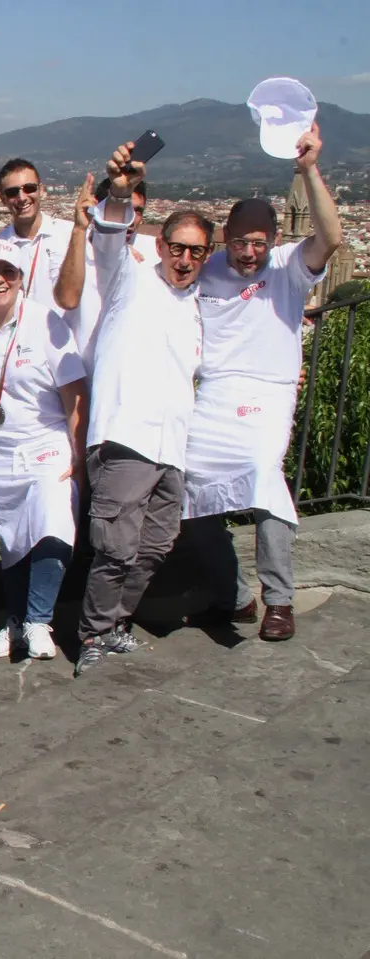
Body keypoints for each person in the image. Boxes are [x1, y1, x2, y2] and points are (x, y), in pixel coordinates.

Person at [181, 122, 342, 642]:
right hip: (213, 395)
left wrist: (309, 169)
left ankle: (280, 600)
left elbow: (332, 237)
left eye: (258, 242)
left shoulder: (289, 268)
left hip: (268, 393)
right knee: (188, 492)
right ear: (224, 239)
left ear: (273, 241)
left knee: (263, 479)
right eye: (239, 242)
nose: (248, 252)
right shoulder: (206, 270)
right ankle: (236, 596)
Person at [74, 141, 211, 677]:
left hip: (171, 445)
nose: (184, 259)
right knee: (114, 548)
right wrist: (122, 190)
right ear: (161, 246)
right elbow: (109, 233)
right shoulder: (129, 279)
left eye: (196, 252)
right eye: (177, 248)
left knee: (155, 546)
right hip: (125, 437)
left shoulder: (200, 302)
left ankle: (117, 624)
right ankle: (93, 633)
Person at [0, 240, 88, 660]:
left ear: (21, 276)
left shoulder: (47, 323)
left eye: (7, 271)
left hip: (47, 441)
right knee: (12, 540)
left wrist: (78, 454)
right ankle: (14, 623)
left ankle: (39, 621)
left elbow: (74, 391)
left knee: (52, 524)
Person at [54, 174, 159, 381]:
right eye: (124, 208)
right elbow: (67, 299)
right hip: (80, 378)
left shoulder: (153, 256)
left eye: (137, 210)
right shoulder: (73, 253)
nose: (130, 218)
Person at [0, 160, 75, 312]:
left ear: (41, 190)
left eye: (29, 188)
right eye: (12, 192)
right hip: (16, 335)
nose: (22, 197)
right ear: (3, 199)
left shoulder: (71, 235)